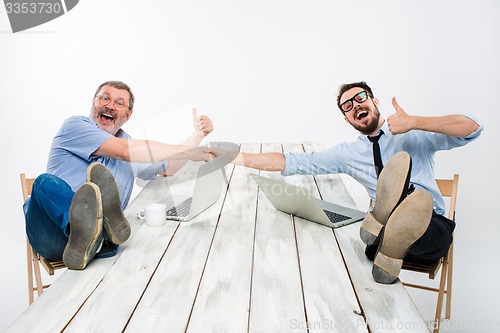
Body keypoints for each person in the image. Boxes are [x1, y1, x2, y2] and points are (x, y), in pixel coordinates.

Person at [213, 81, 483, 284]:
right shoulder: (348, 152)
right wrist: (234, 156)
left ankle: (386, 222)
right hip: (385, 237)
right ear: (346, 118)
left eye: (360, 98)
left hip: (429, 225)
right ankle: (385, 222)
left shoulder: (413, 132)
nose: (356, 106)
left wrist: (416, 121)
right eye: (348, 106)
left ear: (375, 102)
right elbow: (294, 162)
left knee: (424, 231)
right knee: (378, 243)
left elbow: (472, 128)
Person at [24, 80, 214, 270]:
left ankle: (97, 237)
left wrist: (197, 137)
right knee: (43, 183)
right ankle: (91, 233)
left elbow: (169, 167)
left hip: (92, 248)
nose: (109, 106)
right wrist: (188, 151)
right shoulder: (75, 126)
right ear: (94, 102)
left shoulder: (133, 148)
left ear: (128, 115)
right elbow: (123, 151)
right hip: (52, 234)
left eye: (119, 103)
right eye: (104, 98)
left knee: (109, 180)